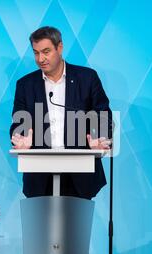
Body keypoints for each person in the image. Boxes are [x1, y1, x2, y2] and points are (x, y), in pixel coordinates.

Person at [10, 26, 112, 200]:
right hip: (40, 175)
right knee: (40, 228)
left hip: (80, 174)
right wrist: (21, 139)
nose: (40, 59)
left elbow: (103, 116)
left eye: (46, 51)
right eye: (36, 53)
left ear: (60, 47)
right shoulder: (25, 85)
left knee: (76, 227)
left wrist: (98, 138)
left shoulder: (87, 78)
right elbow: (18, 124)